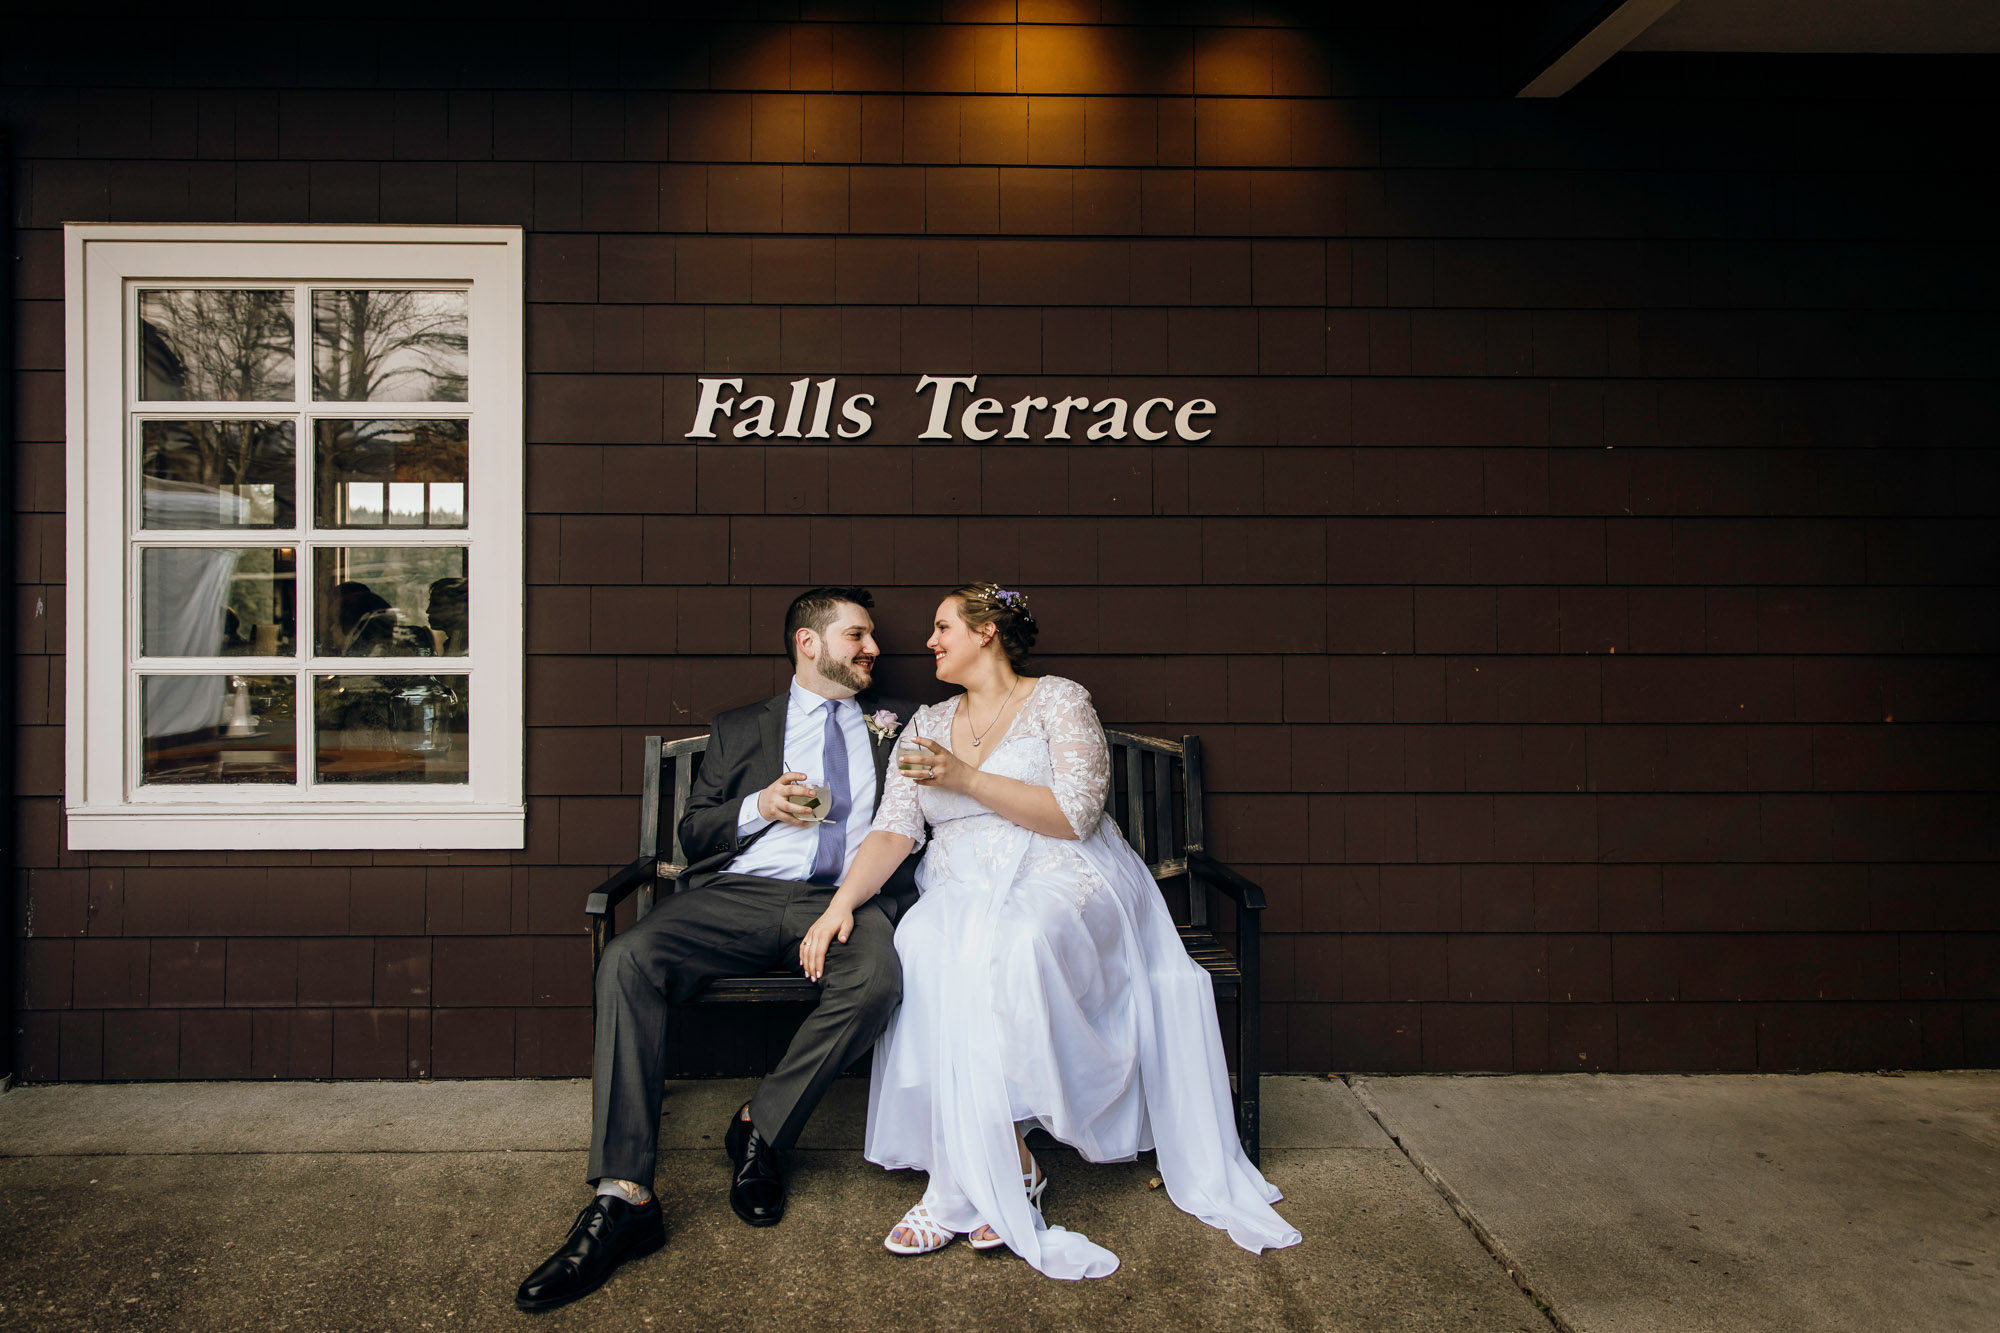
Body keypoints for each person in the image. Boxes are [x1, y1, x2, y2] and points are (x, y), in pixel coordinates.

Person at [795, 584, 1301, 1279]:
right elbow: (894, 828)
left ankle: (966, 1182)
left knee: (1018, 937)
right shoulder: (926, 722)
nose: (930, 642)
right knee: (925, 942)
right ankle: (1008, 1158)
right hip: (963, 879)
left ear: (987, 632)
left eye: (943, 627)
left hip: (1061, 871)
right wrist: (841, 903)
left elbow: (1077, 814)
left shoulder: (1061, 699)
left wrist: (967, 778)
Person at [515, 587, 923, 1313]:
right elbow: (693, 836)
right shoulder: (743, 728)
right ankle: (625, 1194)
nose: (873, 650)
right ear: (808, 642)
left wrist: (853, 903)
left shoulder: (895, 726)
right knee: (628, 960)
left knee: (876, 981)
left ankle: (760, 1127)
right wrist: (756, 806)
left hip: (845, 901)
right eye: (858, 636)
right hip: (740, 897)